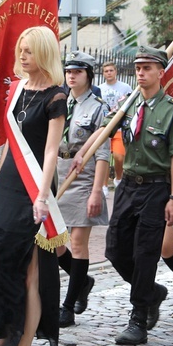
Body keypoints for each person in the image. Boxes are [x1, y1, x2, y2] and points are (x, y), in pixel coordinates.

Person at [72, 45, 173, 345]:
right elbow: (105, 129)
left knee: (145, 251)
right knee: (115, 249)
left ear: (161, 72)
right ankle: (152, 292)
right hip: (128, 185)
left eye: (147, 68)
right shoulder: (128, 103)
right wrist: (82, 153)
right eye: (138, 68)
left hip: (156, 187)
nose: (141, 72)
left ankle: (138, 318)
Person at [0, 26, 67, 346]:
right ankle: (6, 332)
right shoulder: (16, 90)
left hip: (36, 188)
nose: (22, 55)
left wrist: (43, 196)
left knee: (31, 272)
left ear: (44, 53)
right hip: (10, 183)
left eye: (29, 50)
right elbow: (9, 145)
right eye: (21, 49)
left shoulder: (56, 97)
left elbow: (50, 152)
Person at [56, 51, 110, 328]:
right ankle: (83, 280)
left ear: (88, 75)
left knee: (77, 243)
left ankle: (67, 305)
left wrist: (96, 191)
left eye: (78, 71)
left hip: (83, 177)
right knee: (53, 243)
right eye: (68, 71)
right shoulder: (59, 102)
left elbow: (103, 153)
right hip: (58, 173)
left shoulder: (98, 107)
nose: (72, 76)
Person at [97, 61, 134, 195]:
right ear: (103, 73)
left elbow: (131, 104)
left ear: (116, 71)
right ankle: (104, 184)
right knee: (104, 156)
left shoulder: (125, 87)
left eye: (111, 70)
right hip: (104, 126)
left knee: (119, 156)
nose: (109, 73)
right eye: (106, 71)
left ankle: (118, 178)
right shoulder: (99, 88)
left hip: (119, 127)